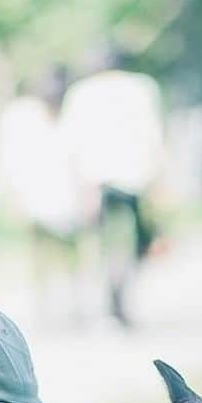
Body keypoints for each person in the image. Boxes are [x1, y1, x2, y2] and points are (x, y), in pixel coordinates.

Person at [59, 49, 165, 328]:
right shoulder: (142, 88)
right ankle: (118, 300)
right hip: (135, 181)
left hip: (98, 182)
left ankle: (108, 302)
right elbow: (153, 137)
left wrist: (81, 187)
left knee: (101, 247)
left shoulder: (82, 92)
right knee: (134, 245)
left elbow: (71, 145)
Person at [0, 67, 85, 327]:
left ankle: (72, 304)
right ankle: (45, 306)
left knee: (70, 256)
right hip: (37, 196)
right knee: (41, 255)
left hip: (67, 198)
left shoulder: (71, 114)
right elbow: (12, 161)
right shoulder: (22, 116)